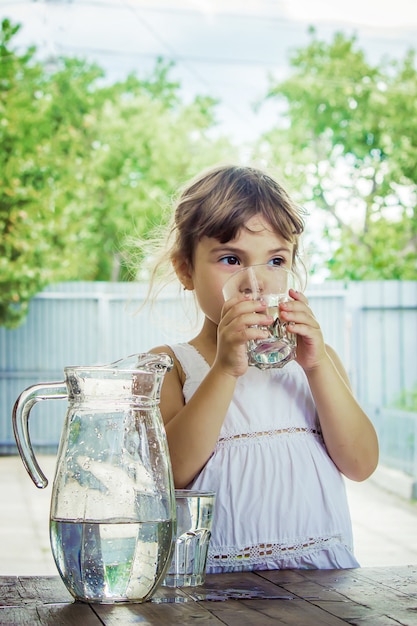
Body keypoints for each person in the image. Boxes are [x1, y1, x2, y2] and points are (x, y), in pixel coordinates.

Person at [145, 164, 379, 572]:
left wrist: (318, 365)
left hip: (321, 580)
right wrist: (224, 369)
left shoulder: (317, 363)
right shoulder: (173, 366)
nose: (256, 283)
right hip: (216, 587)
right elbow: (169, 478)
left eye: (275, 261)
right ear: (186, 270)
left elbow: (361, 464)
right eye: (232, 259)